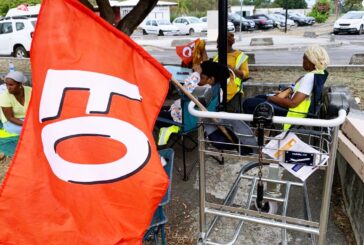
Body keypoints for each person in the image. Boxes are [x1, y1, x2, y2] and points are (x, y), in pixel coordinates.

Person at [243, 45, 330, 128]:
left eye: (304, 59)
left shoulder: (309, 77)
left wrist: (271, 98)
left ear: (312, 61)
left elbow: (293, 103)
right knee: (260, 97)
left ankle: (253, 133)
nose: (302, 61)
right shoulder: (318, 74)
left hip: (292, 113)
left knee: (249, 103)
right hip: (295, 110)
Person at [157, 60, 230, 146]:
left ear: (211, 79)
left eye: (201, 77)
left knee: (150, 114)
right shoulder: (217, 90)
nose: (199, 80)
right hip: (181, 113)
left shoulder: (206, 92)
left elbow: (185, 90)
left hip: (180, 119)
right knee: (154, 108)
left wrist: (196, 74)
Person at [213, 32, 250, 112]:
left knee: (231, 116)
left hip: (234, 92)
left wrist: (230, 68)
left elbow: (245, 75)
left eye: (220, 43)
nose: (218, 46)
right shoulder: (217, 56)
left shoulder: (240, 56)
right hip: (218, 90)